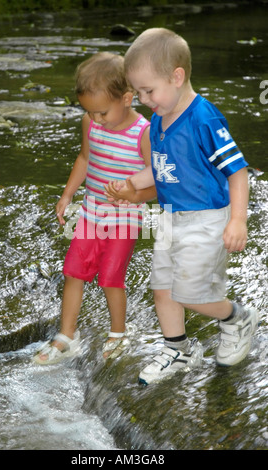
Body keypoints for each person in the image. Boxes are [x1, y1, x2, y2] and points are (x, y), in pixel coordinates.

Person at [105, 28, 259, 385]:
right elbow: (159, 167)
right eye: (139, 92)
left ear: (177, 77)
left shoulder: (204, 119)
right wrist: (130, 185)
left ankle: (238, 317)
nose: (143, 100)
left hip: (206, 217)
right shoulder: (160, 118)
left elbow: (237, 172)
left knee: (192, 294)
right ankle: (178, 349)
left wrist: (237, 220)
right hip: (171, 218)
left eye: (148, 90)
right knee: (162, 287)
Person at [33, 52, 156, 365]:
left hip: (124, 219)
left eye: (102, 112)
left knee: (111, 277)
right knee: (74, 272)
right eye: (90, 112)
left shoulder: (143, 134)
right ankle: (67, 334)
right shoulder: (90, 122)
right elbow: (85, 159)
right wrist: (66, 196)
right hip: (91, 214)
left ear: (128, 98)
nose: (96, 120)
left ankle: (118, 333)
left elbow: (159, 183)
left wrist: (133, 194)